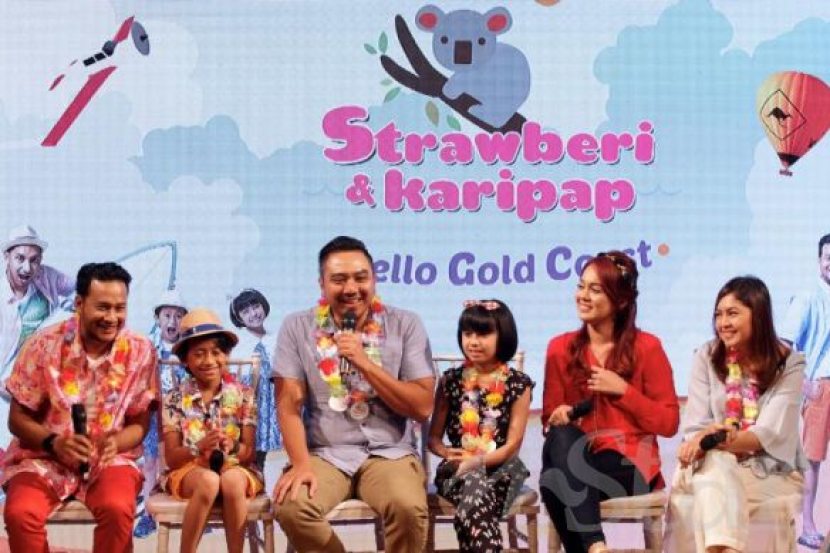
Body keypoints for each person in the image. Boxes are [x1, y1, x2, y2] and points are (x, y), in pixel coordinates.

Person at [272, 235, 435, 553]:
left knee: (407, 507)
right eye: (339, 279)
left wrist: (365, 363)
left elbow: (422, 406)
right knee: (292, 507)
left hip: (390, 453)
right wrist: (301, 464)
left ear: (374, 280)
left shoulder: (405, 324)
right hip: (325, 454)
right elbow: (288, 405)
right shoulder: (297, 327)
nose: (351, 288)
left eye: (361, 278)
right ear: (322, 284)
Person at [1, 262, 157, 552]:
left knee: (117, 508)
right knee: (21, 513)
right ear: (79, 304)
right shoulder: (43, 344)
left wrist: (116, 443)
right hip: (42, 458)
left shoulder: (140, 350)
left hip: (110, 461)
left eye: (120, 308)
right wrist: (54, 443)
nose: (112, 317)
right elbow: (17, 420)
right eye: (103, 307)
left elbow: (140, 422)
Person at [540, 251, 680, 553]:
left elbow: (669, 423)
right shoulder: (559, 348)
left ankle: (593, 546)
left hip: (632, 464)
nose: (583, 296)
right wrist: (560, 416)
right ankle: (596, 546)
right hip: (577, 455)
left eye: (595, 289)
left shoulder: (647, 347)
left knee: (554, 481)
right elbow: (548, 421)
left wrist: (624, 392)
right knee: (561, 448)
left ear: (621, 301)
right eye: (581, 286)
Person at [664, 276, 805, 553]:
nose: (723, 323)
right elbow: (695, 429)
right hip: (709, 463)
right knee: (716, 463)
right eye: (718, 314)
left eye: (732, 313)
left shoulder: (789, 363)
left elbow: (766, 434)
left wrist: (719, 438)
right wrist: (711, 438)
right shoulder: (706, 355)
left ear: (758, 315)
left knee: (709, 486)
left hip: (768, 470)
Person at [428, 299, 533, 553]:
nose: (473, 342)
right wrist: (446, 452)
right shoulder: (450, 381)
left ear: (503, 336)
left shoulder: (518, 384)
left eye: (483, 334)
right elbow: (433, 438)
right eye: (468, 334)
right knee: (473, 488)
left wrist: (478, 462)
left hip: (502, 471)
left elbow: (512, 447)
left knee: (474, 493)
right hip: (457, 468)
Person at [160, 308, 263, 553]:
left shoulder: (244, 395)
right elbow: (172, 458)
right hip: (190, 471)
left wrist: (234, 446)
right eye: (199, 354)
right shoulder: (174, 398)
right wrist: (198, 447)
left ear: (226, 355)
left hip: (236, 469)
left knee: (231, 480)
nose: (209, 361)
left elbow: (249, 454)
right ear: (185, 360)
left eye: (216, 352)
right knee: (209, 480)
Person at [0, 225, 75, 457]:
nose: (27, 268)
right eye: (20, 258)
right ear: (6, 257)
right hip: (8, 381)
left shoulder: (46, 277)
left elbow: (82, 287)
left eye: (34, 260)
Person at [779, 233, 830, 550]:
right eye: (828, 257)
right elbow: (784, 344)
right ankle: (808, 525)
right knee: (812, 460)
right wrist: (804, 384)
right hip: (823, 385)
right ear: (819, 261)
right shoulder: (809, 296)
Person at [134, 287, 189, 538]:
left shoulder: (188, 348)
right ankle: (148, 514)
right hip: (154, 412)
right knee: (151, 463)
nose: (172, 321)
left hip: (182, 415)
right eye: (167, 315)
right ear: (157, 318)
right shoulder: (147, 346)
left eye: (178, 316)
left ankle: (187, 511)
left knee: (183, 460)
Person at [230, 288, 281, 466]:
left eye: (256, 306)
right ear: (239, 318)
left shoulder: (276, 338)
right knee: (249, 448)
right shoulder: (238, 343)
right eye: (246, 311)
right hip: (250, 401)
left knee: (270, 453)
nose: (253, 314)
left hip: (272, 402)